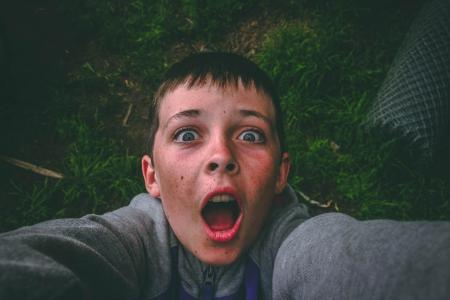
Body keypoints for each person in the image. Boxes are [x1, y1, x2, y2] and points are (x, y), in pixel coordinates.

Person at [0, 52, 449, 300]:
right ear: (151, 176)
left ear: (280, 174)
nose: (221, 155)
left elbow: (348, 262)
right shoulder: (132, 243)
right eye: (188, 133)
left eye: (251, 134)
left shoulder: (290, 245)